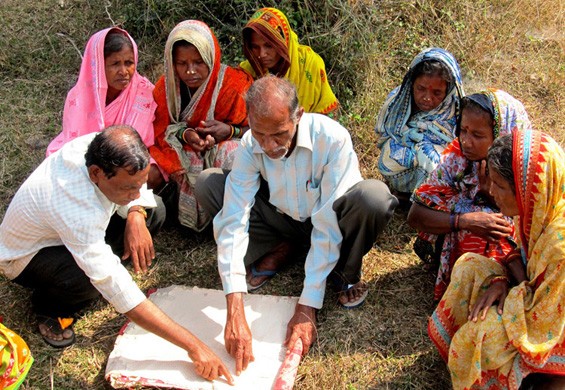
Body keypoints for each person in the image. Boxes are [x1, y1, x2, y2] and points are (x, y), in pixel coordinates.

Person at [194, 76, 398, 375]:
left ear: (298, 115)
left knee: (374, 198)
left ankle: (343, 272)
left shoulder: (331, 139)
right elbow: (234, 219)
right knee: (210, 184)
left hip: (331, 222)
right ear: (249, 121)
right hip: (284, 220)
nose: (269, 145)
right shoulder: (251, 145)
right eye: (259, 133)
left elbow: (328, 223)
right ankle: (284, 247)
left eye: (278, 134)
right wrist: (234, 305)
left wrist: (307, 304)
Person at [0, 126, 233, 384]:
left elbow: (137, 191)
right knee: (89, 281)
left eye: (139, 185)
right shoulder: (74, 205)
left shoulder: (98, 145)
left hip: (71, 234)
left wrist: (135, 212)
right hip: (26, 258)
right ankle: (48, 308)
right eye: (127, 189)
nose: (135, 194)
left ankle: (108, 251)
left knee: (153, 213)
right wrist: (193, 346)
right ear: (96, 174)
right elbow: (117, 288)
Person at [428, 130, 565, 390]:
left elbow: (542, 322)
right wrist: (503, 279)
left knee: (481, 334)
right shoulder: (538, 207)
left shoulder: (560, 247)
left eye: (499, 186)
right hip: (535, 295)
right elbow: (519, 255)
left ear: (525, 190)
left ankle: (516, 376)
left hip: (550, 326)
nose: (491, 191)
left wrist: (509, 298)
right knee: (470, 265)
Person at [407, 89, 532, 301]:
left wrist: (488, 193)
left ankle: (516, 287)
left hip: (518, 245)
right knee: (478, 222)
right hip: (466, 230)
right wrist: (463, 221)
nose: (466, 141)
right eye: (463, 130)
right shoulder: (456, 159)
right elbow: (415, 215)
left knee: (498, 227)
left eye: (477, 135)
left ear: (502, 134)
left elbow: (529, 217)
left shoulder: (523, 168)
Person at [149, 20, 253, 231]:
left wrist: (229, 131)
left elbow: (258, 129)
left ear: (211, 57)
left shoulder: (234, 85)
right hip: (183, 153)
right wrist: (186, 135)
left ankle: (236, 215)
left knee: (234, 152)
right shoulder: (166, 88)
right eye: (182, 63)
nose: (190, 71)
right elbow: (159, 131)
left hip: (221, 153)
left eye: (198, 62)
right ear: (172, 62)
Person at [45, 28, 159, 186]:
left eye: (129, 63)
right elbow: (76, 144)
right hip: (88, 157)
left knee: (151, 173)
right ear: (98, 65)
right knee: (71, 172)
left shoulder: (144, 92)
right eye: (115, 64)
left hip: (130, 156)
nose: (123, 71)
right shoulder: (79, 97)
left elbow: (142, 145)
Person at [375, 48, 464, 200]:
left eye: (437, 93)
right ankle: (407, 192)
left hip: (435, 165)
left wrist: (422, 146)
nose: (427, 98)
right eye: (421, 89)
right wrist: (408, 139)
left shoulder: (456, 112)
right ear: (412, 83)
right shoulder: (397, 100)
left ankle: (422, 200)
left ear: (448, 90)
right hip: (402, 160)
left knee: (433, 161)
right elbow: (383, 134)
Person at [240, 7, 339, 114]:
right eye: (255, 47)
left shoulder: (309, 63)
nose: (261, 54)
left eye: (268, 46)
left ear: (282, 43)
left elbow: (326, 117)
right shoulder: (247, 72)